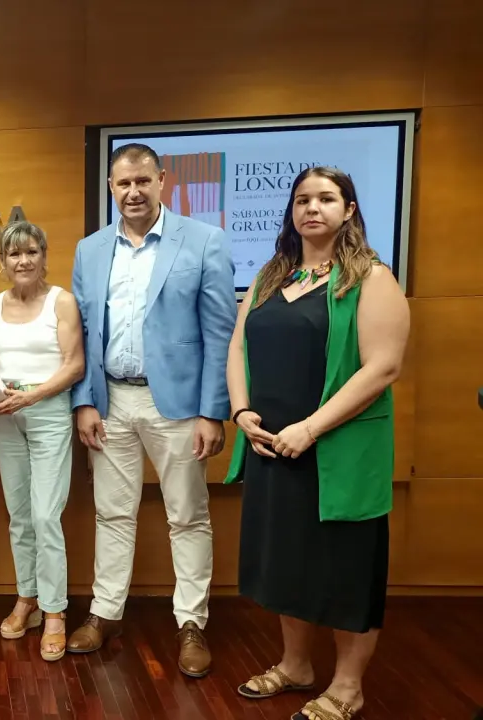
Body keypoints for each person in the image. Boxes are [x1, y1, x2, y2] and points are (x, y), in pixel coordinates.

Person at [225, 167, 408, 720]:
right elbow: (238, 348)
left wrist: (310, 428)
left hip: (337, 450)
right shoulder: (270, 275)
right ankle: (296, 666)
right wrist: (241, 411)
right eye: (302, 199)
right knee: (288, 564)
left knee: (346, 571)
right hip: (273, 449)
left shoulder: (370, 277)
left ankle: (348, 687)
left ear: (348, 210)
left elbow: (383, 366)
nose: (312, 208)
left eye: (326, 198)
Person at [68, 143, 236, 678]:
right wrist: (84, 401)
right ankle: (105, 612)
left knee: (187, 515)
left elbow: (219, 332)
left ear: (163, 181)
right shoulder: (91, 250)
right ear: (111, 188)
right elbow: (84, 333)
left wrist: (213, 411)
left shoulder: (204, 240)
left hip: (179, 406)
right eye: (124, 183)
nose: (134, 192)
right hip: (111, 400)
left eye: (143, 180)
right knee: (112, 513)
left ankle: (191, 623)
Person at [0, 221, 85, 662]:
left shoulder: (61, 302)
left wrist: (34, 395)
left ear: (43, 256)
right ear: (3, 262)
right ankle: (27, 598)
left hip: (48, 412)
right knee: (20, 515)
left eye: (31, 252)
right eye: (14, 254)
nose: (23, 261)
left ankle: (55, 611)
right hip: (6, 417)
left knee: (46, 515)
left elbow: (74, 365)